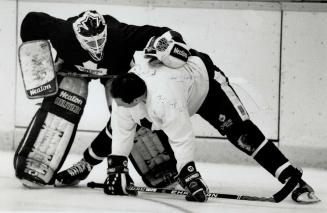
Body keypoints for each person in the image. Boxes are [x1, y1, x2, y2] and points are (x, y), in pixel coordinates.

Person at [102, 36, 320, 203]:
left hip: (208, 86)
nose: (117, 106)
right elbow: (122, 129)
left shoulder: (164, 98)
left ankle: (295, 181)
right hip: (184, 92)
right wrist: (117, 167)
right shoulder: (126, 90)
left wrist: (188, 173)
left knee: (244, 136)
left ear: (135, 100)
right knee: (142, 120)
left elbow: (181, 137)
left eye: (121, 103)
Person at [14, 10, 184, 188]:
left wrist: (160, 55)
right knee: (65, 104)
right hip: (73, 69)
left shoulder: (121, 34)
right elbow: (32, 21)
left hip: (116, 71)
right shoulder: (63, 33)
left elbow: (165, 35)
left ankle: (161, 167)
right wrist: (39, 59)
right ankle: (36, 163)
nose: (96, 45)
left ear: (106, 34)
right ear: (78, 39)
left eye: (100, 40)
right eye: (90, 42)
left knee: (131, 114)